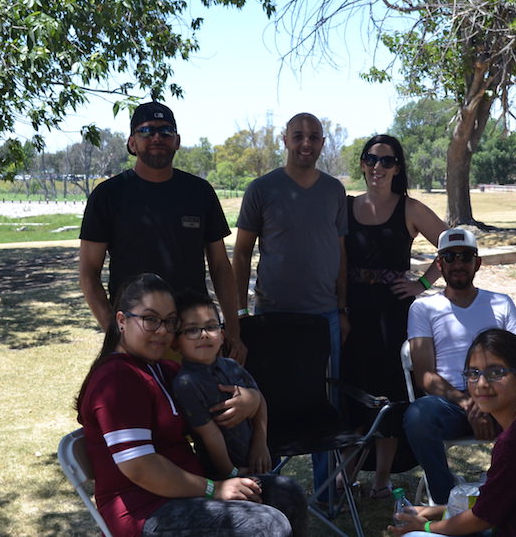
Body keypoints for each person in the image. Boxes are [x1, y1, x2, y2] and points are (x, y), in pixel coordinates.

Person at [74, 273, 306, 537]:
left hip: (187, 495)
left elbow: (226, 395)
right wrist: (215, 489)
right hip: (145, 512)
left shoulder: (162, 369)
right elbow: (140, 468)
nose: (162, 330)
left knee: (288, 494)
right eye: (150, 319)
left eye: (170, 322)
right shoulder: (117, 379)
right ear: (122, 321)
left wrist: (252, 399)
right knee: (266, 524)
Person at [403, 228, 516, 504]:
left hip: (503, 400)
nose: (458, 263)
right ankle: (447, 499)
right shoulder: (424, 308)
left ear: (478, 263)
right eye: (449, 257)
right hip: (452, 405)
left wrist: (492, 402)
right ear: (439, 264)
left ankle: (512, 486)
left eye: (466, 256)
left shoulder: (500, 302)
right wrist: (469, 404)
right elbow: (424, 375)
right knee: (417, 416)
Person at [231, 112, 347, 502]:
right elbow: (242, 252)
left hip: (324, 315)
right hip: (272, 317)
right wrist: (240, 314)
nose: (306, 143)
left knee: (324, 403)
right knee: (272, 402)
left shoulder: (334, 191)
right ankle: (269, 492)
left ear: (322, 143)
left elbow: (341, 253)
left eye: (314, 137)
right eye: (298, 135)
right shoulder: (261, 189)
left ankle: (327, 496)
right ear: (284, 139)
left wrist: (343, 307)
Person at [79, 101, 245, 362]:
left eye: (166, 131)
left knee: (197, 400)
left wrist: (233, 331)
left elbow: (221, 266)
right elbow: (89, 273)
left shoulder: (200, 192)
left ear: (177, 141)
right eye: (146, 131)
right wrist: (116, 333)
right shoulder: (108, 196)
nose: (157, 137)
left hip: (192, 332)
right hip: (137, 336)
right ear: (132, 143)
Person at [388, 329, 516, 537]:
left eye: (496, 373)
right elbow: (497, 501)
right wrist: (437, 511)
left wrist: (425, 527)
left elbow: (482, 519)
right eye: (473, 373)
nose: (482, 384)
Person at [341, 134, 447, 498]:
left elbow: (454, 244)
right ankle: (348, 475)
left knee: (389, 394)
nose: (377, 167)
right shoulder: (346, 205)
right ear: (362, 163)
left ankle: (382, 481)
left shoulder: (411, 208)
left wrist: (422, 283)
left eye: (387, 161)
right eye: (371, 159)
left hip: (393, 315)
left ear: (398, 167)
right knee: (351, 391)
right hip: (351, 311)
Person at [171, 291, 271, 480]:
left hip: (257, 459)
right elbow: (211, 435)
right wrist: (231, 473)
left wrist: (261, 443)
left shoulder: (232, 366)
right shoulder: (186, 383)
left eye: (211, 327)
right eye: (192, 330)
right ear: (176, 343)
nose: (204, 335)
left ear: (222, 335)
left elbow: (259, 401)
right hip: (221, 474)